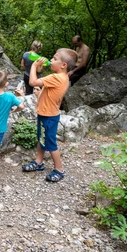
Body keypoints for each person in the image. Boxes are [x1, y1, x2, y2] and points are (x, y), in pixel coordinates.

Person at [22, 48, 78, 182]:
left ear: (63, 65)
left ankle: (59, 169)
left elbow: (32, 82)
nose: (51, 60)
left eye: (54, 58)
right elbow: (49, 93)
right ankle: (39, 162)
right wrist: (39, 94)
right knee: (41, 138)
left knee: (51, 143)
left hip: (49, 116)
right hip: (45, 113)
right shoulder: (63, 77)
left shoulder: (56, 77)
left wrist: (34, 66)